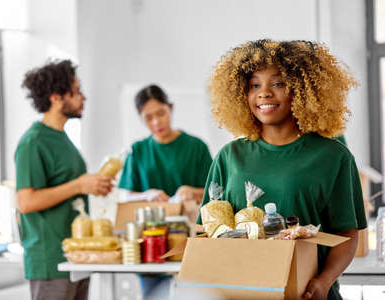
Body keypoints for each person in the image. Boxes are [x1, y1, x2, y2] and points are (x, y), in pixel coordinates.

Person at [198, 40, 367, 300]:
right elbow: (209, 230)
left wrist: (323, 282)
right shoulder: (229, 157)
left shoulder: (333, 157)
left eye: (277, 83)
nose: (264, 93)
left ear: (301, 90)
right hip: (241, 294)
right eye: (254, 85)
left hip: (307, 294)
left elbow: (346, 233)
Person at [15, 60, 114, 300]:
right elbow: (25, 202)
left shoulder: (63, 139)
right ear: (56, 97)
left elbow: (69, 189)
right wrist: (79, 185)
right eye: (76, 91)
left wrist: (91, 186)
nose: (83, 98)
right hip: (51, 261)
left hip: (75, 256)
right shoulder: (33, 142)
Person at [118, 84, 213, 299]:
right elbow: (126, 196)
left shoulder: (196, 147)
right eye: (148, 117)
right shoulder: (138, 151)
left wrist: (193, 192)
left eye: (161, 113)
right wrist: (147, 194)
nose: (156, 122)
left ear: (171, 108)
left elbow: (217, 191)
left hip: (191, 241)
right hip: (152, 243)